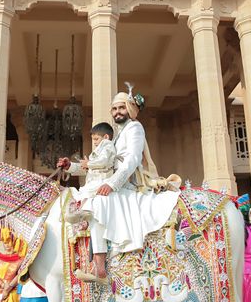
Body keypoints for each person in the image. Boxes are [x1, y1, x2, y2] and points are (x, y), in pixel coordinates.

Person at [58, 85, 179, 282]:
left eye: (121, 108)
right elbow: (98, 166)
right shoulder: (114, 137)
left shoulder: (134, 128)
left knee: (97, 204)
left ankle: (99, 268)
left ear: (129, 109)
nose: (117, 112)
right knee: (89, 198)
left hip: (129, 183)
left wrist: (113, 184)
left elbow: (131, 160)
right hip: (112, 182)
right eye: (114, 109)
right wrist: (70, 167)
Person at [64, 121, 117, 223]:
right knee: (85, 192)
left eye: (96, 139)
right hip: (95, 178)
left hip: (103, 179)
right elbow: (90, 166)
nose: (95, 142)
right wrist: (72, 165)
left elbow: (103, 161)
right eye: (93, 140)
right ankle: (81, 210)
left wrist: (88, 164)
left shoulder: (108, 145)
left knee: (87, 192)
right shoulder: (101, 149)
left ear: (106, 137)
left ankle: (82, 211)